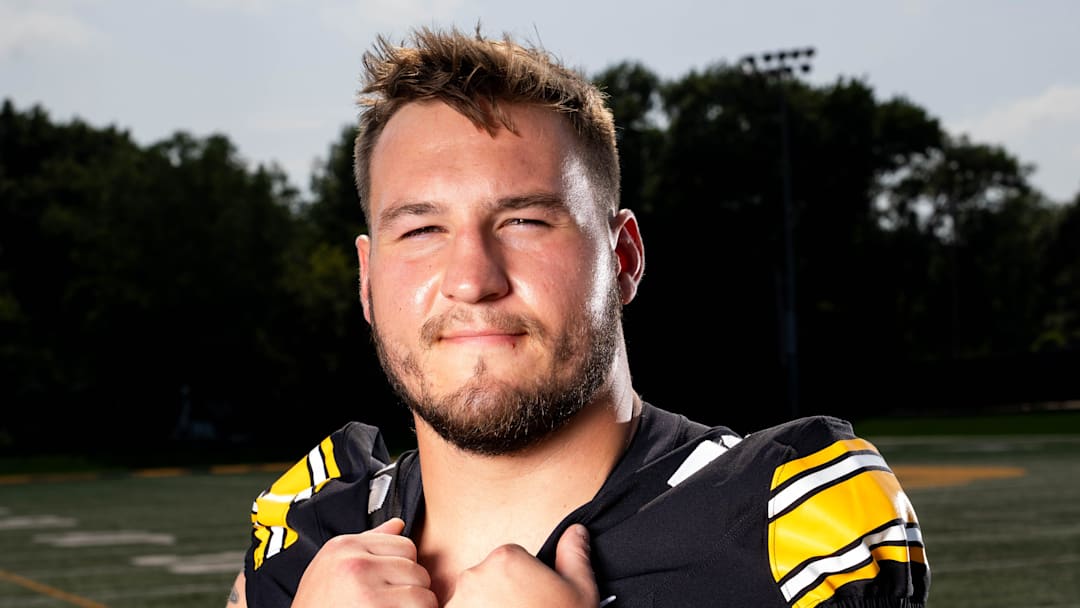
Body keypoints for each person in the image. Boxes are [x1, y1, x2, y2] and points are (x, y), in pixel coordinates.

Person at [228, 24, 930, 608]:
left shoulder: (779, 523)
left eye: (526, 220)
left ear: (623, 258)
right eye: (421, 231)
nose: (473, 280)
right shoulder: (313, 532)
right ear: (367, 280)